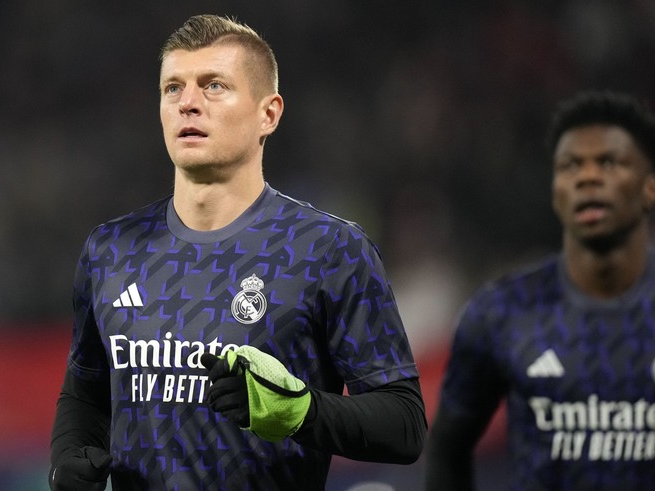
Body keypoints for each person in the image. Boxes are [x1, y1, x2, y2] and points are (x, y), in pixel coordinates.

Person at [49, 14, 426, 491]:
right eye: (173, 88)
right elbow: (84, 392)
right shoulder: (110, 249)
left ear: (268, 113)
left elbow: (405, 424)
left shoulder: (329, 250)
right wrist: (66, 461)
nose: (188, 103)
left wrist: (301, 411)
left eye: (214, 86)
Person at [425, 90, 655, 490]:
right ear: (555, 191)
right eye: (570, 166)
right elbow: (447, 449)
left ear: (649, 187)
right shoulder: (503, 312)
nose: (587, 177)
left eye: (609, 162)